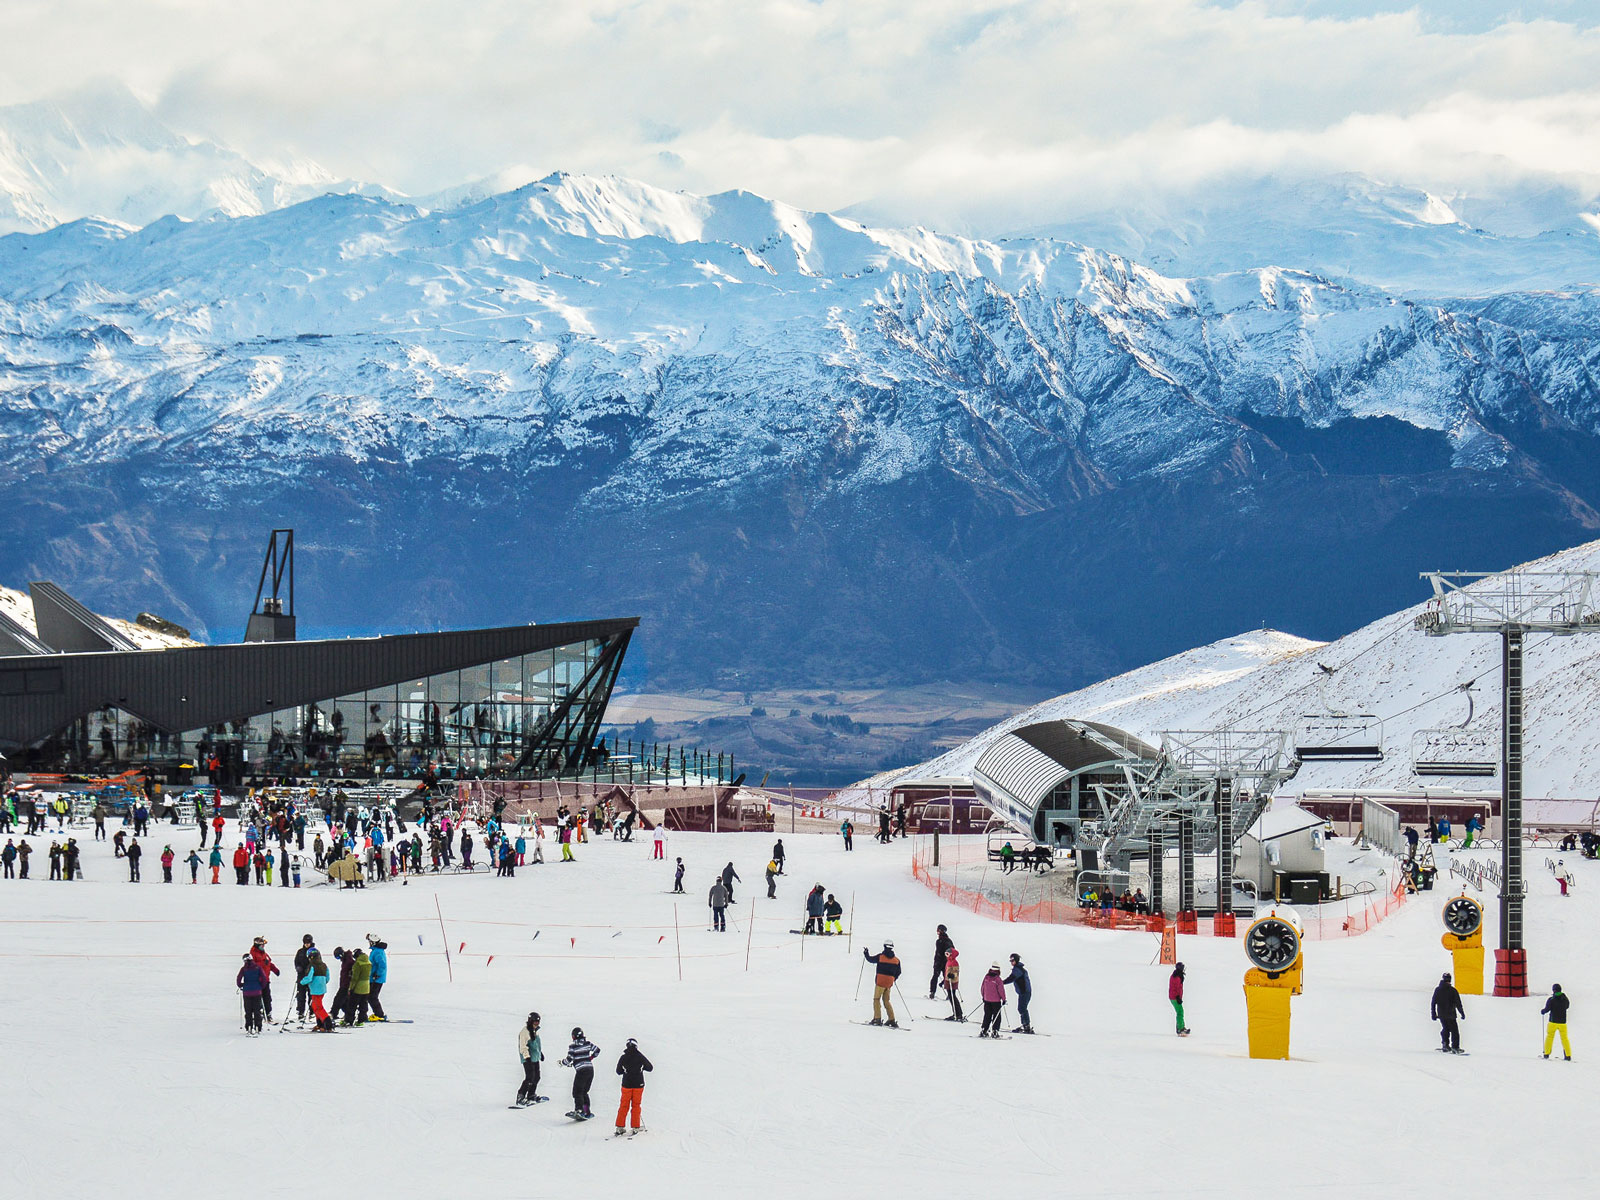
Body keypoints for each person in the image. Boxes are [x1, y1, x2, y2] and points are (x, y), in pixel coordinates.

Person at [613, 1037, 653, 1135]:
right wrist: (641, 1069)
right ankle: (635, 1127)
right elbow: (650, 1067)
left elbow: (618, 1071)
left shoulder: (623, 1057)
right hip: (638, 1084)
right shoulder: (640, 1056)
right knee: (636, 1105)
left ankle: (620, 1126)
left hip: (626, 1084)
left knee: (624, 1105)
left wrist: (625, 1072)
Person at [560, 1027, 602, 1119]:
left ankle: (579, 1110)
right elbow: (597, 1050)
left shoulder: (573, 1047)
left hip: (581, 1071)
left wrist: (562, 1063)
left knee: (577, 1092)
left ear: (573, 1037)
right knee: (584, 1092)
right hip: (590, 1070)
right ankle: (586, 1111)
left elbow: (569, 1059)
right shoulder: (587, 1044)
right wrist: (591, 1057)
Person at [862, 942, 902, 1027]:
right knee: (886, 1001)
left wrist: (866, 953)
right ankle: (891, 1019)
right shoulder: (896, 960)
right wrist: (893, 978)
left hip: (880, 982)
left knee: (876, 999)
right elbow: (899, 972)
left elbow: (870, 959)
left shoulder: (880, 957)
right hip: (889, 983)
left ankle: (877, 1018)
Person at [516, 1012, 546, 1106]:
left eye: (538, 1021)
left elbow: (535, 1044)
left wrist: (540, 1053)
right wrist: (527, 1058)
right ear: (530, 1021)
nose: (537, 1023)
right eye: (535, 1021)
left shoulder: (534, 1030)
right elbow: (523, 1047)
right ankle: (520, 1096)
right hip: (528, 1058)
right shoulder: (524, 1032)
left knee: (537, 1077)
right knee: (529, 1078)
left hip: (535, 1058)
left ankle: (531, 1095)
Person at [1432, 971, 1465, 1054]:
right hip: (1451, 1014)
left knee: (1445, 1029)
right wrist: (1462, 1013)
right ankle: (1455, 1047)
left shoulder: (1438, 990)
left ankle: (1445, 1044)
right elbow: (1458, 1003)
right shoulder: (1453, 991)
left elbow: (1433, 1002)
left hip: (1441, 1014)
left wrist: (1433, 1013)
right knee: (1454, 1031)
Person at [299, 950, 333, 1032]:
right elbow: (327, 978)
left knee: (318, 1007)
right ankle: (320, 1024)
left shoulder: (312, 966)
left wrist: (301, 982)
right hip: (322, 989)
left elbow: (309, 978)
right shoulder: (324, 965)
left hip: (315, 990)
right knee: (315, 1006)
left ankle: (328, 1025)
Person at [250, 936, 281, 1022]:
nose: (263, 946)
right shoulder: (253, 953)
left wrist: (275, 969)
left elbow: (269, 963)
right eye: (262, 945)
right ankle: (258, 1014)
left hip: (266, 980)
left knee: (267, 998)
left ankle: (268, 1013)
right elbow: (252, 965)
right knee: (258, 998)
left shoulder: (264, 953)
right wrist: (263, 963)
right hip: (257, 980)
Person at [237, 953, 267, 1035]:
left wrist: (241, 985)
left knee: (248, 1010)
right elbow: (264, 978)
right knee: (257, 1010)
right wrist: (261, 986)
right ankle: (258, 1026)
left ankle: (249, 1026)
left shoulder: (243, 969)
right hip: (257, 991)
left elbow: (238, 979)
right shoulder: (258, 968)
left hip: (247, 992)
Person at [1003, 954, 1033, 1033]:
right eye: (1011, 961)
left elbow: (1011, 978)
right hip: (1024, 992)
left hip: (1024, 992)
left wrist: (1002, 982)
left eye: (1012, 961)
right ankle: (1025, 1025)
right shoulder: (1020, 969)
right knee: (1021, 1008)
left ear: (1016, 960)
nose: (1011, 962)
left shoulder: (1018, 970)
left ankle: (1027, 1026)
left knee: (1022, 1008)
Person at [1542, 984, 1571, 1060]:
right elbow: (1567, 1006)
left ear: (1553, 990)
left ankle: (1546, 1054)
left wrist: (1543, 1011)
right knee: (1564, 1038)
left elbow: (1547, 1009)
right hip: (1563, 1022)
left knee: (1550, 1037)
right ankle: (1568, 1055)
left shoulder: (1551, 999)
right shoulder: (1565, 999)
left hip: (1553, 1022)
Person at [979, 962, 1006, 1037]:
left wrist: (983, 996)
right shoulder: (997, 979)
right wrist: (1004, 999)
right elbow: (1001, 990)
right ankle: (995, 1031)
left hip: (987, 1000)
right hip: (996, 1001)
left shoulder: (986, 977)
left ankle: (984, 1030)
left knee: (987, 1015)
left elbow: (982, 988)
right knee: (996, 1016)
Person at [366, 933, 389, 1021]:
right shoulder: (375, 951)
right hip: (374, 978)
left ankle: (380, 1015)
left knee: (372, 997)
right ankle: (378, 1014)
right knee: (371, 997)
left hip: (377, 979)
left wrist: (377, 974)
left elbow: (382, 965)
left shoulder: (378, 952)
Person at [294, 935, 316, 1022]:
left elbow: (318, 963)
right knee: (301, 995)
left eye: (308, 943)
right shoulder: (300, 952)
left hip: (311, 977)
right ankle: (300, 1012)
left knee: (312, 995)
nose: (307, 944)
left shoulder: (315, 951)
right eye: (305, 943)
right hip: (301, 977)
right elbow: (296, 962)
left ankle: (312, 1012)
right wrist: (298, 967)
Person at [930, 924, 954, 999]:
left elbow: (939, 953)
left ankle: (932, 992)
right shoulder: (948, 940)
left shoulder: (940, 941)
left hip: (940, 963)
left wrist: (937, 962)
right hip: (946, 963)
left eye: (938, 931)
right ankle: (949, 994)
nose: (937, 932)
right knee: (946, 978)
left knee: (936, 977)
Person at [350, 948, 372, 1024]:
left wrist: (351, 988)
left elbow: (355, 978)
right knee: (363, 1004)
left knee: (352, 1004)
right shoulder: (368, 962)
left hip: (359, 987)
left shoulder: (358, 963)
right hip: (367, 987)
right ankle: (362, 1020)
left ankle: (349, 1020)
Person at [943, 945, 965, 1022]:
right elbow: (947, 972)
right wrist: (944, 980)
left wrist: (952, 975)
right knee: (951, 998)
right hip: (948, 982)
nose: (946, 956)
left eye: (948, 954)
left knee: (953, 998)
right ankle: (956, 1013)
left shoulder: (954, 962)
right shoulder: (948, 962)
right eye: (946, 954)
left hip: (952, 982)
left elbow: (956, 973)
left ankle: (958, 1014)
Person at [1169, 963, 1190, 1036]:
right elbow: (1176, 988)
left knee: (1180, 1011)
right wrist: (1178, 997)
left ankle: (1180, 1027)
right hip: (1175, 997)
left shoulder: (1176, 975)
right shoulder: (1177, 977)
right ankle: (1180, 1028)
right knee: (1180, 1011)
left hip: (1174, 997)